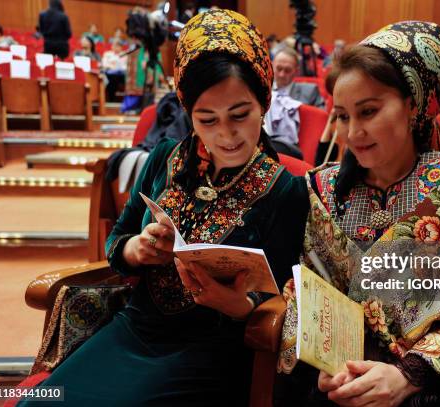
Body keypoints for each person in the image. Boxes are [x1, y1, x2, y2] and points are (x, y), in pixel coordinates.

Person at [18, 9, 308, 406]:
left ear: (265, 101)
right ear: (189, 114)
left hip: (213, 347)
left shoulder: (286, 190)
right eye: (207, 119)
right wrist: (137, 249)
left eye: (240, 115)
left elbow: (288, 294)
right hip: (136, 326)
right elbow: (117, 243)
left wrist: (237, 305)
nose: (226, 135)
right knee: (44, 401)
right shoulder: (164, 158)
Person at [276, 21, 440, 406]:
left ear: (412, 104)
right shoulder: (325, 190)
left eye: (369, 111)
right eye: (343, 116)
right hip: (351, 376)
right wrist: (324, 363)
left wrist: (408, 375)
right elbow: (311, 294)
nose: (353, 132)